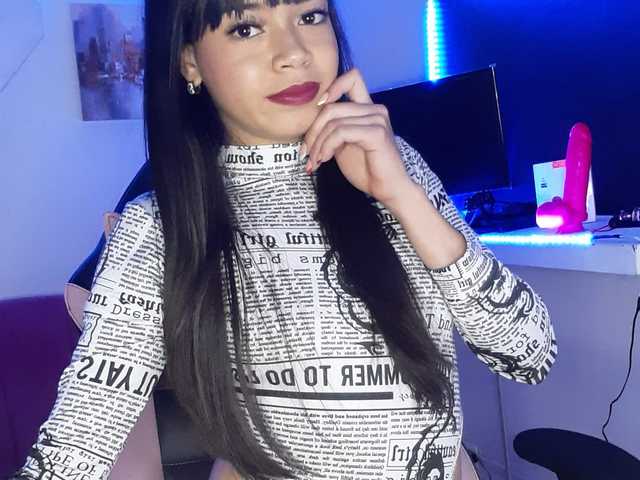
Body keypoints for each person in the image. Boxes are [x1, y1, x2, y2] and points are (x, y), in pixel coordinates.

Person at [12, 1, 557, 479]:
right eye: (246, 28)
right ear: (189, 61)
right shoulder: (158, 225)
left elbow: (530, 355)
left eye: (310, 16)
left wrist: (401, 196)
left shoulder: (399, 167)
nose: (294, 53)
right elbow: (79, 441)